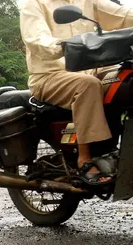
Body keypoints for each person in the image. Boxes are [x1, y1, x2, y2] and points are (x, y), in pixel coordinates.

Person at [20, 0, 133, 185]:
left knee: (125, 78)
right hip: (49, 76)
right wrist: (64, 46)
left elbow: (120, 15)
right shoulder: (34, 3)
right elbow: (36, 39)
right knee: (88, 85)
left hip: (90, 69)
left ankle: (115, 149)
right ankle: (85, 159)